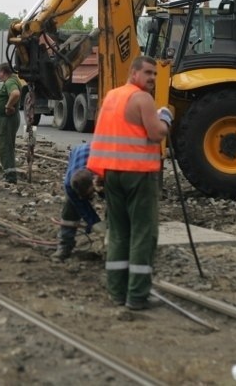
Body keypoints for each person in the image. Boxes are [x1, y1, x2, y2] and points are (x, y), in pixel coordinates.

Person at [87, 55, 172, 311]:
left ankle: (116, 290)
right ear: (134, 73)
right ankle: (136, 295)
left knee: (119, 233)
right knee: (143, 233)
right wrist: (166, 117)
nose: (152, 79)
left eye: (155, 74)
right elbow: (156, 133)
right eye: (148, 73)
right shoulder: (142, 98)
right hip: (138, 174)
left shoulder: (112, 96)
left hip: (112, 173)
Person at [51, 141, 105, 262]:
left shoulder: (102, 171)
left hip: (97, 156)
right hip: (77, 154)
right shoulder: (69, 185)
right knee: (70, 209)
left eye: (90, 193)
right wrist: (95, 223)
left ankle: (114, 243)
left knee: (113, 200)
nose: (89, 198)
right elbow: (82, 207)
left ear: (94, 183)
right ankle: (64, 247)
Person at [0, 62, 22, 184]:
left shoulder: (10, 82)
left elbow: (15, 93)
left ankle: (10, 177)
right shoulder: (12, 80)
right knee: (7, 147)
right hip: (6, 120)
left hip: (6, 121)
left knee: (5, 148)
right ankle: (9, 174)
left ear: (3, 72)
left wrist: (8, 106)